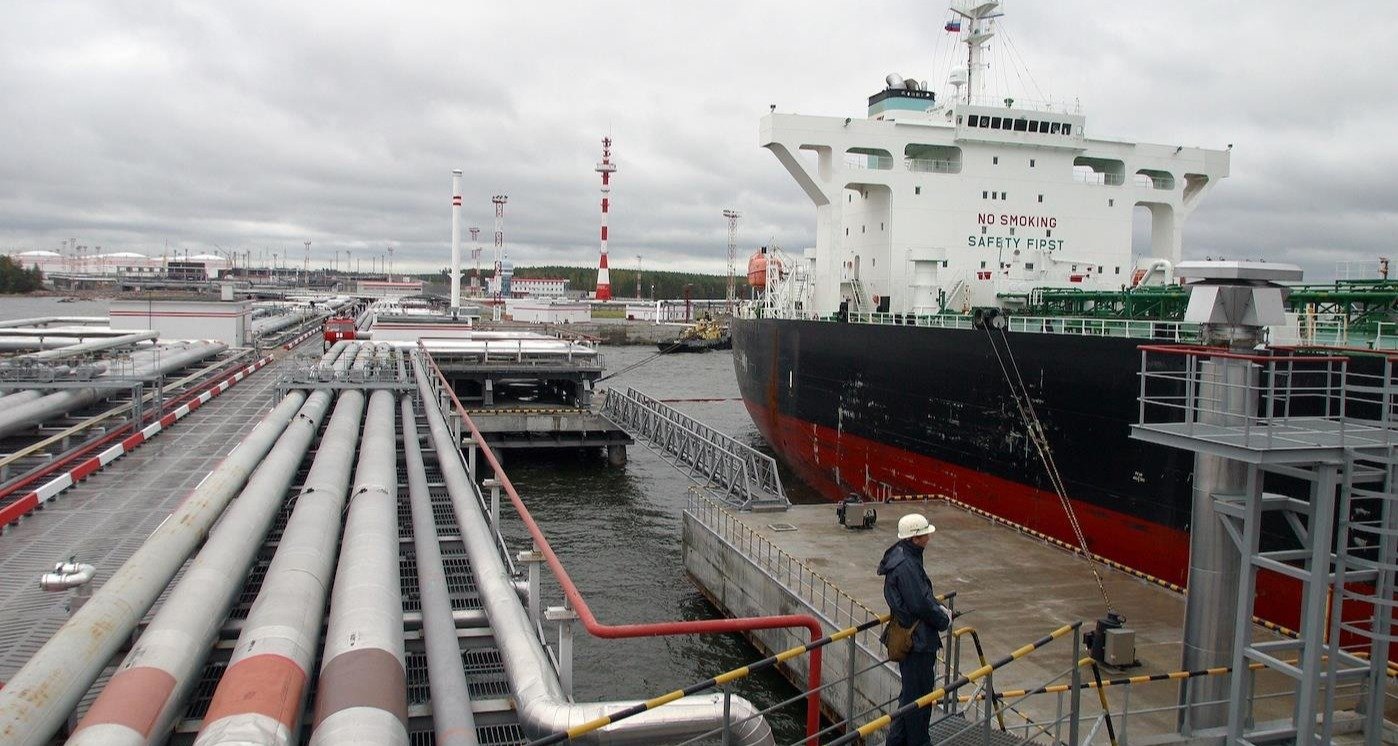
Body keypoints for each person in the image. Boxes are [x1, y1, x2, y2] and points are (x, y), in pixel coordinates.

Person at [878, 513, 951, 746]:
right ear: (915, 537)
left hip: (911, 637)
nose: (929, 537)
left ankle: (896, 742)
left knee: (910, 695)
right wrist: (943, 618)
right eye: (925, 534)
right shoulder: (907, 565)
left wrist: (935, 606)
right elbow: (919, 603)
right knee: (919, 698)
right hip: (917, 642)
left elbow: (918, 598)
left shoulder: (902, 557)